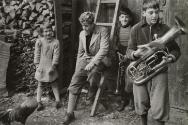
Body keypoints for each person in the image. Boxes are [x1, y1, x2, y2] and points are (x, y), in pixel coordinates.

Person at [126, 1, 181, 125]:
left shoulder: (165, 29)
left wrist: (171, 58)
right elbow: (128, 50)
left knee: (159, 104)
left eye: (157, 12)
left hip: (159, 70)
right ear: (144, 13)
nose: (154, 15)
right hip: (140, 71)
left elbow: (176, 50)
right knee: (141, 102)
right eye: (151, 13)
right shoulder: (136, 29)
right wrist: (135, 54)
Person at [63, 11, 110, 125]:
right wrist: (78, 68)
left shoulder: (102, 31)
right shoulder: (81, 34)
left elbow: (104, 49)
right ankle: (70, 113)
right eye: (82, 25)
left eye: (87, 25)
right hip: (86, 59)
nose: (84, 28)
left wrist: (93, 62)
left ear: (93, 23)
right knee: (75, 80)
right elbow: (80, 52)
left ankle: (91, 93)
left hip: (101, 60)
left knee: (93, 73)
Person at [34, 22, 61, 111]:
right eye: (45, 31)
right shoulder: (40, 41)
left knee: (54, 83)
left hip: (50, 65)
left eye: (49, 31)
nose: (48, 33)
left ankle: (58, 100)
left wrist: (53, 67)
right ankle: (38, 102)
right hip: (41, 65)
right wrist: (37, 65)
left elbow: (56, 55)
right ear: (42, 33)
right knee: (40, 84)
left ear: (52, 31)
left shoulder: (55, 42)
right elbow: (37, 54)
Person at [115, 7, 134, 112]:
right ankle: (123, 100)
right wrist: (117, 53)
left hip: (129, 56)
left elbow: (133, 45)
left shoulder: (132, 29)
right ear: (119, 18)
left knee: (129, 79)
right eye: (122, 17)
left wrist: (127, 56)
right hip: (121, 56)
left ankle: (131, 100)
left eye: (127, 17)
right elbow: (116, 43)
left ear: (130, 18)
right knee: (121, 79)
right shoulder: (118, 29)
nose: (124, 19)